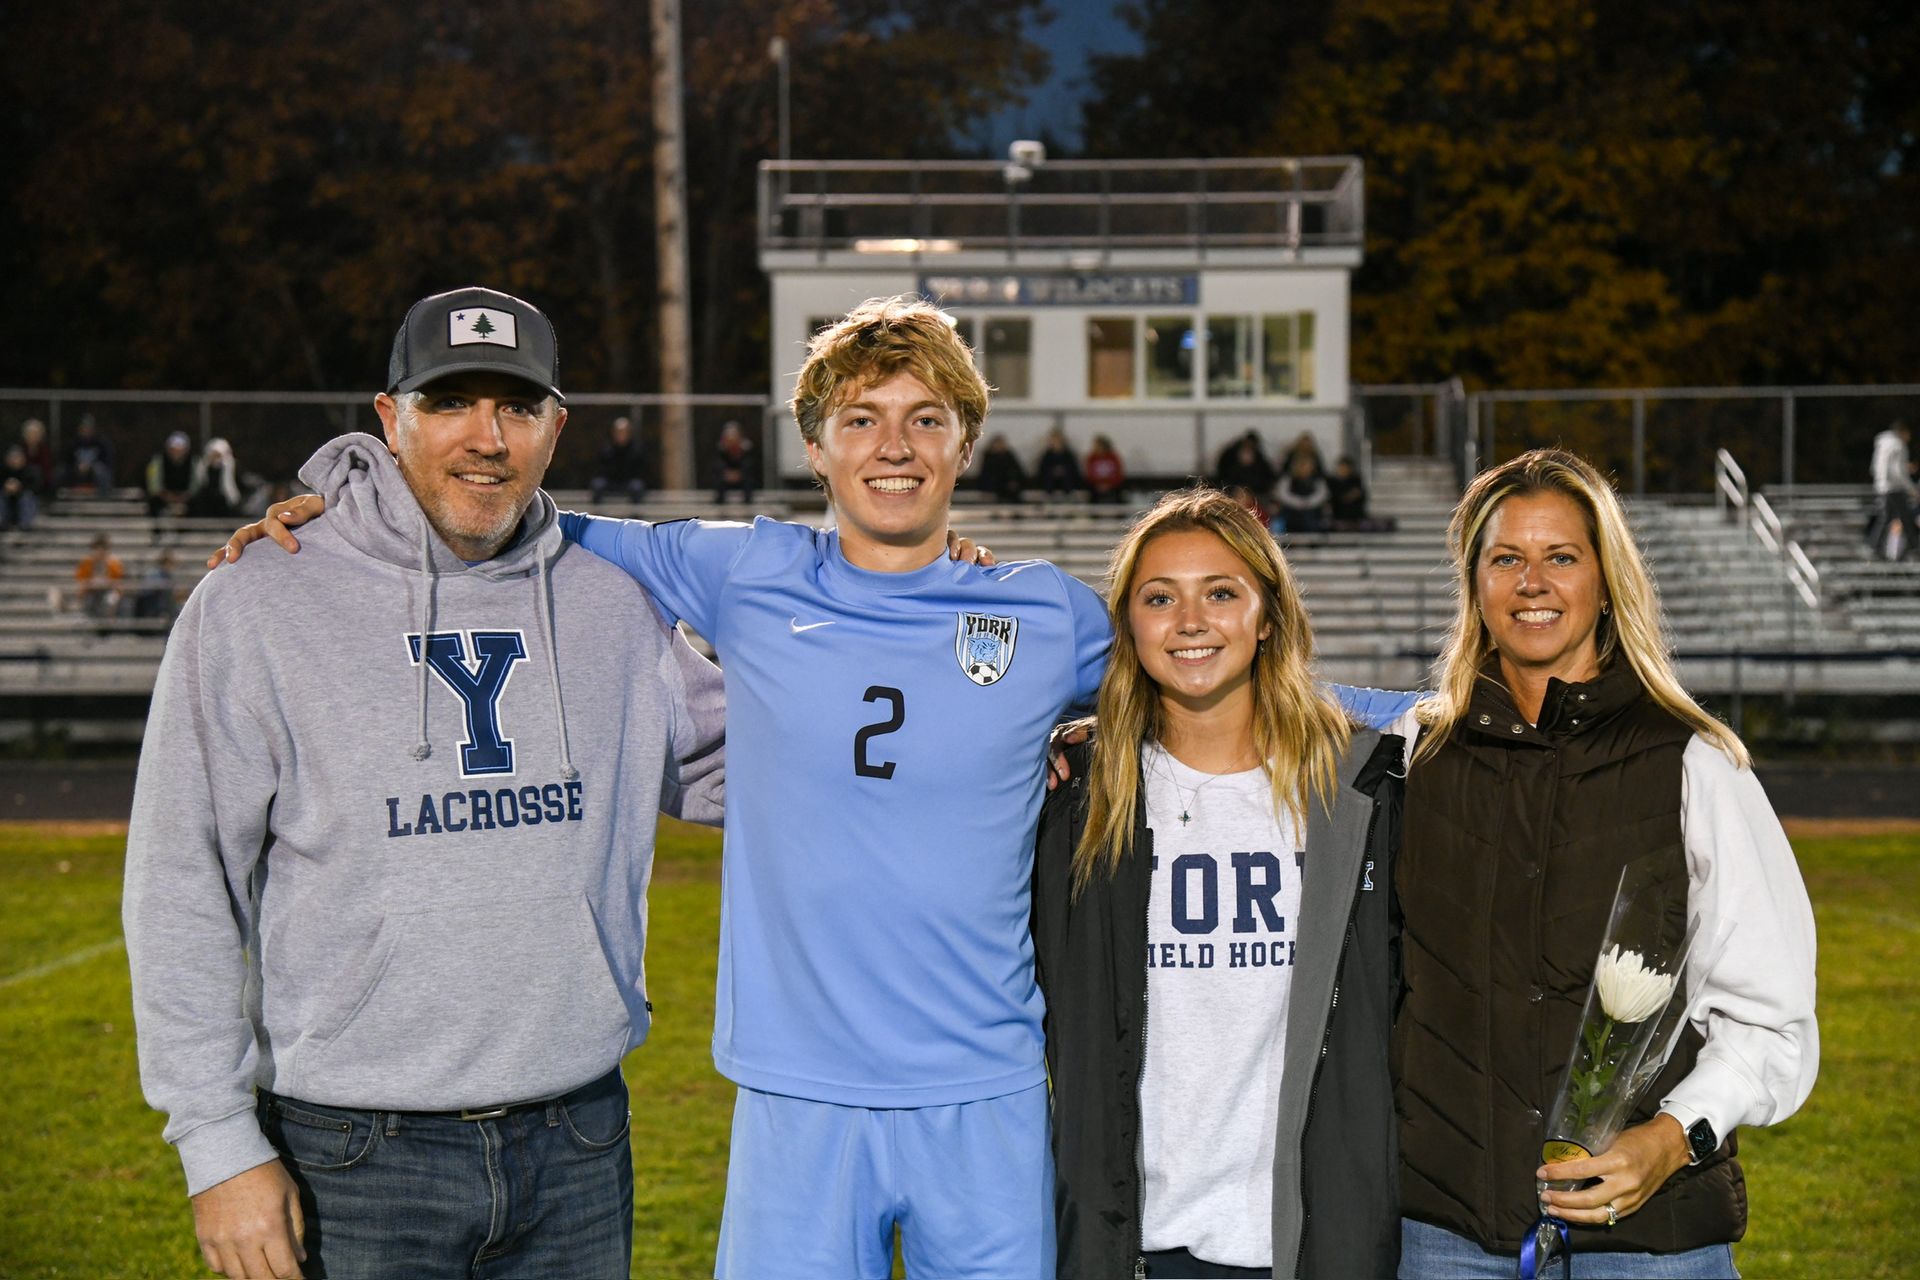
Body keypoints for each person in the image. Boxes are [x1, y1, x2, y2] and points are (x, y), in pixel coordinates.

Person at [125, 286, 727, 1280]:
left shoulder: (613, 598)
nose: (487, 437)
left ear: (556, 426)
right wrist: (216, 1139)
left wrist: (992, 733)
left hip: (578, 1139)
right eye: (451, 400)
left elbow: (743, 770)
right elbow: (181, 883)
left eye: (518, 405)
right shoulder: (261, 599)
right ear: (389, 417)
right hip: (354, 1157)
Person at [1395, 448, 1818, 1278]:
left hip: (1647, 1239)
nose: (1532, 583)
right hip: (1446, 1234)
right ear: (1474, 583)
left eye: (1562, 557)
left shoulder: (1693, 763)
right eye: (1505, 558)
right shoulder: (1415, 757)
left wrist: (1670, 1141)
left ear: (1604, 578)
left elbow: (1772, 1020)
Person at [1034, 488, 1409, 1279]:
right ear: (1129, 627)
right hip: (1136, 1243)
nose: (1191, 621)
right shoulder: (1080, 800)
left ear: (1267, 615)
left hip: (1309, 1244)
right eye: (1160, 597)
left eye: (1222, 593)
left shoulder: (1359, 793)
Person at [1868, 420, 1915, 561]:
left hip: (1882, 487)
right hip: (1895, 488)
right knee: (1905, 517)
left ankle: (1874, 549)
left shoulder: (1882, 444)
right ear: (1902, 432)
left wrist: (1880, 483)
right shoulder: (1898, 445)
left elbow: (1874, 467)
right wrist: (1911, 488)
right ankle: (1914, 547)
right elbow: (1897, 472)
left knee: (1886, 517)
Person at [591, 415, 651, 505]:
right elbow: (600, 469)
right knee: (597, 485)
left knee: (637, 486)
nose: (621, 435)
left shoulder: (636, 449)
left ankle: (635, 517)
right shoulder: (606, 449)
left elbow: (642, 470)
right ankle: (597, 516)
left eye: (624, 432)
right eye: (618, 432)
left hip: (629, 482)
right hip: (610, 482)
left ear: (629, 433)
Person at [1273, 451, 1331, 535]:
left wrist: (1308, 502)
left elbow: (1321, 495)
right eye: (1302, 465)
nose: (1305, 468)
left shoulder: (1317, 479)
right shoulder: (1288, 478)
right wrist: (1298, 502)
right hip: (1291, 509)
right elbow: (1283, 494)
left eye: (1308, 465)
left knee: (1313, 519)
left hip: (1312, 509)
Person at [187, 437, 244, 519]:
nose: (215, 457)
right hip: (207, 502)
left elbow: (240, 484)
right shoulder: (202, 467)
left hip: (226, 504)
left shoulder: (232, 467)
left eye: (218, 454)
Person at [73, 532, 126, 620]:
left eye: (104, 548)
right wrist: (91, 583)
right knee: (88, 601)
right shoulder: (87, 563)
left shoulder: (114, 563)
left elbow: (119, 582)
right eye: (97, 548)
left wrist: (108, 583)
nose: (100, 551)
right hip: (90, 591)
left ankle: (109, 621)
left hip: (109, 590)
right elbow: (80, 581)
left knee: (111, 599)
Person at [1215, 430, 1277, 503]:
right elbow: (1222, 475)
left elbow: (1268, 478)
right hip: (1232, 489)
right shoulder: (1230, 457)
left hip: (1254, 492)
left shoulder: (1260, 460)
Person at [146, 431, 196, 521]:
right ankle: (157, 532)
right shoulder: (157, 462)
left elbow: (196, 483)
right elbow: (153, 484)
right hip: (164, 496)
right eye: (173, 449)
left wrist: (185, 496)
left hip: (186, 497)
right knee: (154, 503)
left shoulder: (194, 462)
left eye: (180, 449)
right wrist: (166, 496)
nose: (176, 452)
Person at [63, 413, 115, 491]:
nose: (86, 430)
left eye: (88, 428)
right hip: (78, 472)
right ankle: (62, 496)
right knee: (61, 472)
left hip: (95, 471)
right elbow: (67, 461)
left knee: (99, 470)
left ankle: (104, 496)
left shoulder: (102, 442)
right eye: (84, 427)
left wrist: (90, 466)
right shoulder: (73, 443)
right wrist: (77, 466)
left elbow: (107, 462)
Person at [2, 442, 44, 530]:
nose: (14, 460)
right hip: (7, 507)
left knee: (27, 496)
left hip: (24, 506)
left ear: (23, 459)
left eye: (17, 457)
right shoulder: (2, 471)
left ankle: (25, 524)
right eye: (12, 458)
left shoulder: (31, 471)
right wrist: (5, 488)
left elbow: (37, 488)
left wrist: (20, 487)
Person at [713, 419, 756, 504]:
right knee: (719, 481)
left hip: (742, 476)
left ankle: (748, 503)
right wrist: (727, 473)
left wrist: (739, 474)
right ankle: (719, 502)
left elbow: (749, 464)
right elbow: (718, 463)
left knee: (749, 481)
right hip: (726, 476)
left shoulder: (746, 448)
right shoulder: (721, 449)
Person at [976, 431, 1028, 503]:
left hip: (1009, 488)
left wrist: (1013, 481)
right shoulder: (989, 457)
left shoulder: (1009, 456)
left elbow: (1017, 471)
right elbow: (986, 475)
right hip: (994, 488)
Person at [1036, 425, 1084, 497]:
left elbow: (1074, 468)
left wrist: (1063, 470)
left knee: (1067, 477)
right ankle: (1049, 496)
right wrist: (1053, 470)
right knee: (1049, 477)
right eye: (1054, 440)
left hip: (1066, 479)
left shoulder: (1068, 454)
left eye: (1058, 440)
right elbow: (1042, 468)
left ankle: (1068, 495)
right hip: (1051, 479)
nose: (1056, 442)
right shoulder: (1047, 454)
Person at [1085, 433, 1127, 504]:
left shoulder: (1113, 457)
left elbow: (1118, 473)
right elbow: (1090, 474)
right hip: (1096, 485)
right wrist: (1099, 484)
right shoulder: (1091, 458)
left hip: (1112, 485)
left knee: (1120, 492)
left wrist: (1108, 484)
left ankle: (1119, 513)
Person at [1329, 455, 1369, 526]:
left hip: (1355, 512)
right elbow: (1336, 497)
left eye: (1345, 467)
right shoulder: (1332, 481)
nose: (1343, 470)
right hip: (1339, 512)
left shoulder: (1355, 479)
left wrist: (1350, 496)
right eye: (1341, 467)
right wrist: (1348, 496)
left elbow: (1360, 494)